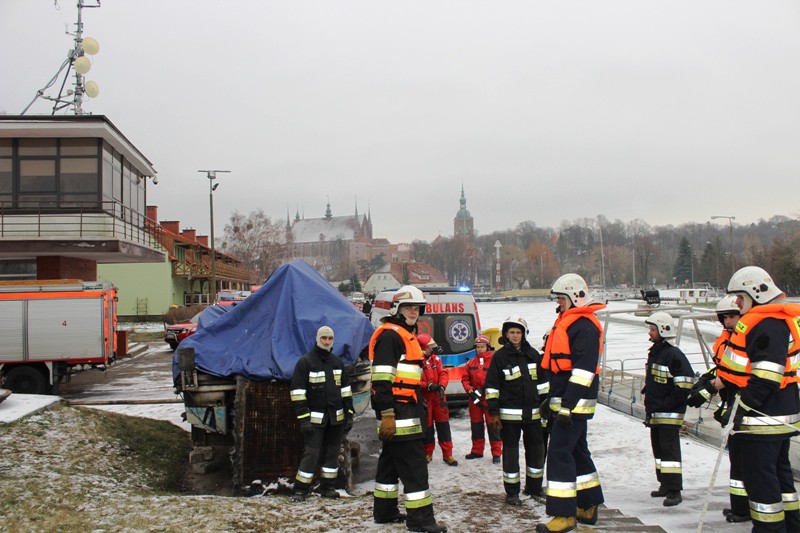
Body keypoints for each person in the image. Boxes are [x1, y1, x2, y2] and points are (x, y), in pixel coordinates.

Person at [716, 266, 800, 532]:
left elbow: (765, 378)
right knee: (781, 478)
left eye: (740, 297)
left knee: (761, 481)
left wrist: (742, 408)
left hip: (763, 418)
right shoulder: (777, 321)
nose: (737, 303)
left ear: (756, 293)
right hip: (779, 414)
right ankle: (792, 525)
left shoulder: (765, 324)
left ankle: (769, 529)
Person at [368, 285, 447, 533]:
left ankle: (385, 511)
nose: (414, 312)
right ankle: (421, 520)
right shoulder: (391, 336)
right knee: (414, 466)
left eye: (416, 308)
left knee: (390, 463)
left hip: (404, 409)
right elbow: (381, 379)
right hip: (399, 412)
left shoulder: (403, 335)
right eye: (408, 308)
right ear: (397, 309)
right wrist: (388, 414)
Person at [537, 273, 605, 533]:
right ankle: (588, 505)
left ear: (575, 297)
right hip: (567, 401)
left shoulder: (584, 326)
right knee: (577, 451)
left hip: (574, 403)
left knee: (559, 454)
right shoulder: (572, 323)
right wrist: (550, 401)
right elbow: (561, 371)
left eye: (561, 299)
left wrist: (566, 406)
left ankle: (563, 515)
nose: (558, 304)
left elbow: (583, 372)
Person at [686, 295, 749, 522]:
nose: (729, 322)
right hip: (731, 407)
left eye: (733, 316)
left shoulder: (746, 339)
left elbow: (744, 374)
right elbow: (722, 370)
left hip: (744, 408)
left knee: (747, 463)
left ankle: (747, 509)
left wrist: (720, 383)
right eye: (726, 318)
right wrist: (708, 385)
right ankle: (740, 507)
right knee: (737, 463)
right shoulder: (726, 341)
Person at [485, 316, 548, 506]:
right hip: (509, 417)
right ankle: (512, 493)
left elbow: (543, 384)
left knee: (537, 451)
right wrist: (494, 413)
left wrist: (546, 408)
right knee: (511, 455)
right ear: (506, 334)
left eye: (518, 332)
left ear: (524, 334)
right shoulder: (500, 357)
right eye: (511, 332)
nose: (515, 336)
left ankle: (534, 487)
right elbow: (492, 387)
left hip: (533, 415)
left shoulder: (533, 354)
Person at [289, 325, 354, 501]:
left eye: (330, 339)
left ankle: (328, 488)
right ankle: (301, 490)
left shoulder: (337, 362)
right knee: (311, 454)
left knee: (332, 455)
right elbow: (297, 393)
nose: (326, 341)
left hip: (336, 420)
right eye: (323, 338)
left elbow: (346, 391)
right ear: (317, 339)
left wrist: (349, 414)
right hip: (314, 421)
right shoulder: (306, 362)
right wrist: (303, 419)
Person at [642, 311, 694, 507]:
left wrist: (667, 404)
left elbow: (685, 383)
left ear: (663, 330)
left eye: (653, 329)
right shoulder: (657, 352)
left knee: (670, 453)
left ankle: (675, 490)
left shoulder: (673, 355)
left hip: (668, 414)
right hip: (656, 413)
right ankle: (664, 483)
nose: (650, 332)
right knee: (659, 451)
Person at [418, 333, 458, 466]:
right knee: (428, 428)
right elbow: (414, 381)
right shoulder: (417, 362)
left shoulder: (436, 360)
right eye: (429, 347)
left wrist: (442, 386)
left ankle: (448, 455)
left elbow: (443, 373)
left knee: (444, 427)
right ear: (423, 347)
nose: (432, 349)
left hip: (438, 399)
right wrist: (427, 386)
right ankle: (427, 453)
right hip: (426, 399)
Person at [461, 334, 502, 463]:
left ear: (487, 347)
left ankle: (496, 453)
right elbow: (465, 379)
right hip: (475, 401)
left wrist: (483, 389)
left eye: (482, 347)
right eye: (477, 347)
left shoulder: (494, 362)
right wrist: (470, 390)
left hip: (490, 399)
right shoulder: (471, 363)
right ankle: (477, 450)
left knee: (493, 426)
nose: (479, 349)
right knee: (476, 426)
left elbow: (497, 379)